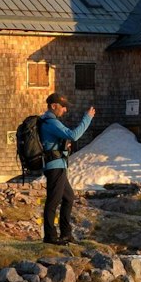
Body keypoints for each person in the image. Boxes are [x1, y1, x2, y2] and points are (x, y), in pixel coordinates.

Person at [38, 92, 93, 244]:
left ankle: (66, 234)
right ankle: (50, 237)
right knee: (53, 201)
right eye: (63, 107)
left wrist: (64, 145)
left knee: (69, 198)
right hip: (55, 167)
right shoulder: (51, 122)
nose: (65, 110)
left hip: (57, 166)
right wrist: (87, 117)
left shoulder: (48, 122)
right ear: (53, 106)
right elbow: (74, 135)